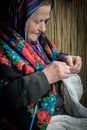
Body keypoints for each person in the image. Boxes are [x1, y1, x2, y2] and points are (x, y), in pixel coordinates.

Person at [0, 0, 82, 130]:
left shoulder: (38, 40)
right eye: (38, 21)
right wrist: (46, 76)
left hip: (60, 114)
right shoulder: (3, 49)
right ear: (19, 16)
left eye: (46, 20)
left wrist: (65, 58)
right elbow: (6, 99)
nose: (43, 28)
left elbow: (51, 55)